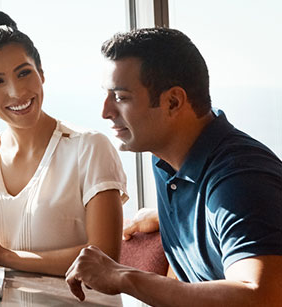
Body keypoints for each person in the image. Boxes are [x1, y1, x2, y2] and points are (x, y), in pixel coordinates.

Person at [65, 28, 282, 305]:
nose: (105, 111)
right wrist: (166, 216)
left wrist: (124, 276)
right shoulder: (167, 160)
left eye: (120, 97)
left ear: (173, 102)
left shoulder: (240, 181)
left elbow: (264, 296)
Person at [0, 9, 128, 276]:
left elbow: (103, 256)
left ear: (41, 73)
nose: (16, 91)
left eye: (23, 73)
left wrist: (6, 256)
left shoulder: (89, 148)